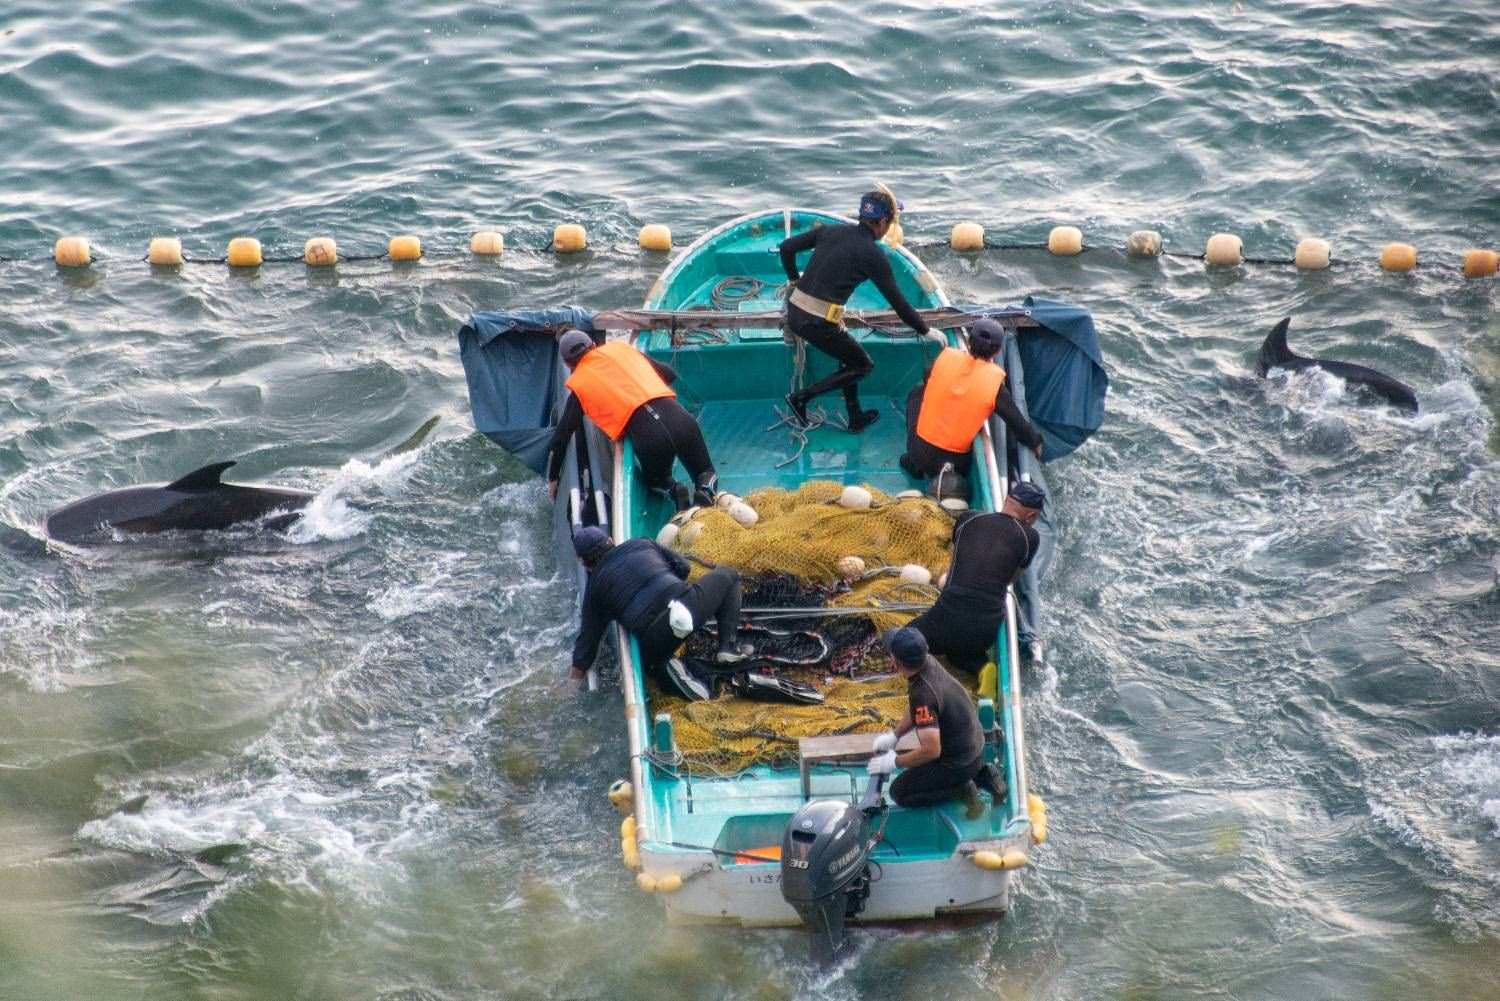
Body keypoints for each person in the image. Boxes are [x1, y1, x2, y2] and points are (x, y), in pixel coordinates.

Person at [777, 190, 933, 432]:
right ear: (882, 222)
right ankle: (801, 398)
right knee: (862, 365)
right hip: (816, 323)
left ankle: (855, 416)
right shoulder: (873, 255)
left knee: (848, 355)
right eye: (890, 223)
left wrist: (794, 280)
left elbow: (786, 247)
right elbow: (899, 304)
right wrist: (926, 330)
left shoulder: (830, 231)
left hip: (795, 312)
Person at [546, 330, 717, 511]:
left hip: (649, 438)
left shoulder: (579, 386)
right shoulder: (622, 349)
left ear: (568, 364)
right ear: (594, 345)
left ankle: (674, 489)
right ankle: (706, 490)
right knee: (705, 472)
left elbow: (561, 437)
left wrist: (553, 478)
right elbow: (669, 373)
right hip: (681, 420)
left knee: (657, 481)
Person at [568, 525, 746, 698]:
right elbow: (684, 567)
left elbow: (587, 643)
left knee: (652, 665)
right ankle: (727, 648)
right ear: (611, 541)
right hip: (686, 607)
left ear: (585, 564)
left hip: (654, 637)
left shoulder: (594, 590)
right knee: (730, 574)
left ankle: (668, 672)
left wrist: (571, 685)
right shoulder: (641, 543)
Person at [908, 481, 1045, 673]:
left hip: (945, 615)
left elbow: (957, 559)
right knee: (963, 654)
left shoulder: (968, 518)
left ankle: (956, 655)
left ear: (1007, 500)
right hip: (983, 629)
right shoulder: (1030, 537)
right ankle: (976, 666)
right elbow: (1011, 579)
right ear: (1031, 516)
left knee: (902, 639)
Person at [871, 627, 1006, 813]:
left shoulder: (923, 694)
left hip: (959, 763)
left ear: (896, 662)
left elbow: (931, 750)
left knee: (899, 793)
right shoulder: (928, 663)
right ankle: (983, 775)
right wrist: (895, 735)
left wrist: (895, 762)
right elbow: (916, 707)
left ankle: (963, 789)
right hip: (975, 746)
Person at [899, 317, 1045, 481]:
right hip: (955, 464)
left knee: (916, 393)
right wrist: (1036, 442)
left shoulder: (945, 357)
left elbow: (928, 381)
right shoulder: (995, 385)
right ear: (997, 351)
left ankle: (915, 464)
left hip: (918, 453)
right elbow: (1018, 424)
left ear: (969, 342)